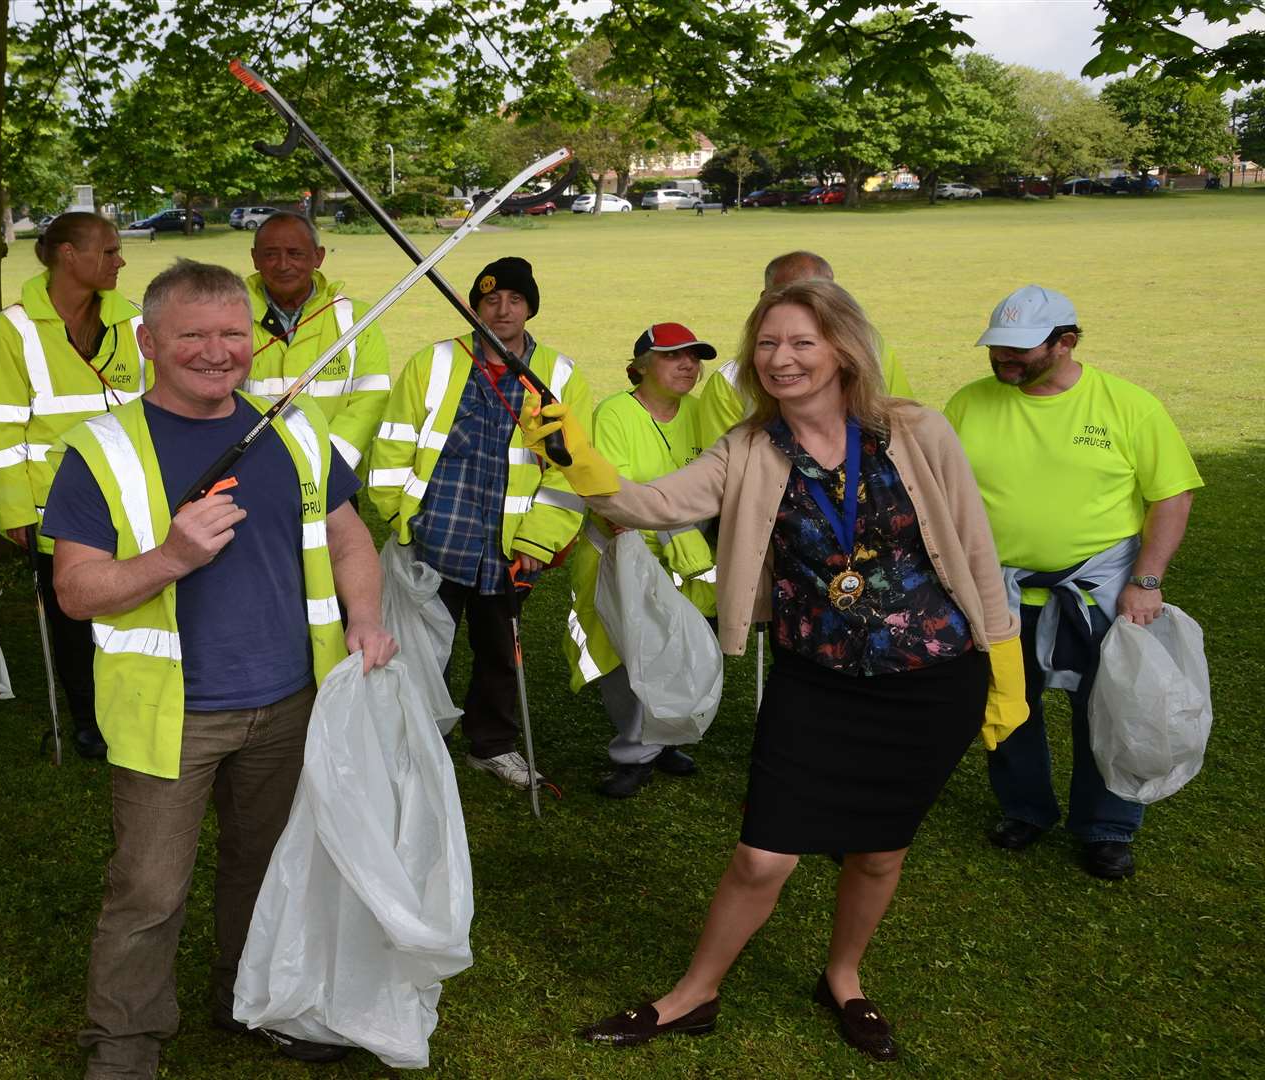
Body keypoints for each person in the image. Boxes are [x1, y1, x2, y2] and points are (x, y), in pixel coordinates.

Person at [522, 278, 1026, 1061]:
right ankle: (693, 995)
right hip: (815, 680)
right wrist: (582, 461)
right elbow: (649, 505)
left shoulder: (916, 431)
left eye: (801, 342)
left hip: (931, 680)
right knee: (763, 855)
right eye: (766, 343)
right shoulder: (749, 449)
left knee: (880, 851)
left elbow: (975, 549)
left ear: (843, 349)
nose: (781, 358)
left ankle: (844, 978)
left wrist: (1003, 665)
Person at [42, 260, 396, 1078]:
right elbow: (75, 590)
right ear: (148, 342)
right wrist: (170, 556)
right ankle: (125, 1045)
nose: (216, 351)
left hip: (289, 701)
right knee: (149, 891)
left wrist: (368, 617)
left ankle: (251, 997)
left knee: (271, 867)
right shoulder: (100, 451)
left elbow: (347, 537)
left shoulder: (296, 427)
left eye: (232, 333)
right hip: (175, 712)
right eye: (192, 335)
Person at [943, 285, 1202, 881]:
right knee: (1007, 708)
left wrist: (1148, 578)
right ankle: (1025, 809)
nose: (1004, 360)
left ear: (1066, 343)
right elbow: (939, 489)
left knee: (1109, 710)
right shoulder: (968, 403)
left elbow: (1172, 495)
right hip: (996, 591)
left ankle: (1107, 827)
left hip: (1100, 591)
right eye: (996, 348)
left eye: (1019, 349)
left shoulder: (1129, 405)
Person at [368, 256, 592, 790]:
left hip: (511, 548)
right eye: (491, 299)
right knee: (424, 649)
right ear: (474, 305)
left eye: (515, 300)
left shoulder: (560, 376)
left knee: (500, 653)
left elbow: (571, 472)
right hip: (437, 535)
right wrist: (402, 517)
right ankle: (420, 740)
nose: (503, 309)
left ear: (530, 307)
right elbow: (394, 445)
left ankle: (492, 745)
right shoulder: (434, 363)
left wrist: (541, 540)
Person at [0, 212, 149, 759]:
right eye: (109, 251)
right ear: (67, 254)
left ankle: (141, 701)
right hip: (57, 505)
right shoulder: (9, 332)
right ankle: (89, 717)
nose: (120, 260)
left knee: (140, 603)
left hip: (132, 496)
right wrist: (15, 511)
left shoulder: (135, 321)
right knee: (74, 616)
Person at [562, 323, 725, 799]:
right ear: (638, 367)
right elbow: (619, 498)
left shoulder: (699, 412)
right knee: (626, 655)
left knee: (680, 648)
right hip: (625, 553)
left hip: (687, 559)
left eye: (694, 357)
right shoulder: (615, 411)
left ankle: (664, 737)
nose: (688, 366)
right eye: (673, 356)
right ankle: (633, 753)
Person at [695, 251, 915, 433]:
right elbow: (724, 478)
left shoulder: (875, 351)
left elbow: (903, 428)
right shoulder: (729, 383)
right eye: (790, 295)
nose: (807, 305)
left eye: (821, 295)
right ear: (765, 299)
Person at [243, 211, 391, 470]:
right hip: (250, 472)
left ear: (318, 257)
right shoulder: (228, 317)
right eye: (270, 254)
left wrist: (325, 466)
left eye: (295, 253)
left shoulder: (357, 319)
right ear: (255, 258)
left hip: (332, 474)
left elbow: (370, 400)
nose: (282, 264)